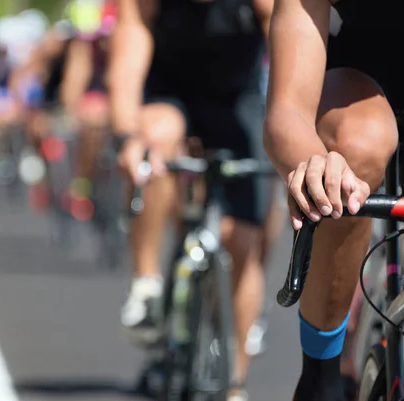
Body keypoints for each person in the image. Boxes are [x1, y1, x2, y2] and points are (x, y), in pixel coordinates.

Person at [264, 0, 404, 400]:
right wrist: (316, 167)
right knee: (356, 145)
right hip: (364, 72)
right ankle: (322, 373)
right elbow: (287, 112)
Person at [107, 0, 277, 399]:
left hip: (238, 100)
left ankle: (234, 382)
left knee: (241, 240)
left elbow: (288, 41)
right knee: (153, 142)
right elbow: (128, 53)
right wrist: (127, 136)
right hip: (170, 94)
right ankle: (147, 285)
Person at [10, 0, 117, 214]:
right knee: (40, 128)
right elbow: (62, 82)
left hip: (92, 91)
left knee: (94, 122)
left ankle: (85, 180)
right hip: (51, 91)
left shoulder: (112, 38)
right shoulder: (57, 41)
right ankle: (43, 175)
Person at [0, 10, 48, 186]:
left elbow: (39, 63)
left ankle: (31, 151)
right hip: (7, 87)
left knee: (33, 118)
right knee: (0, 118)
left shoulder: (34, 24)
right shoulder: (2, 30)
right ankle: (4, 154)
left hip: (28, 83)